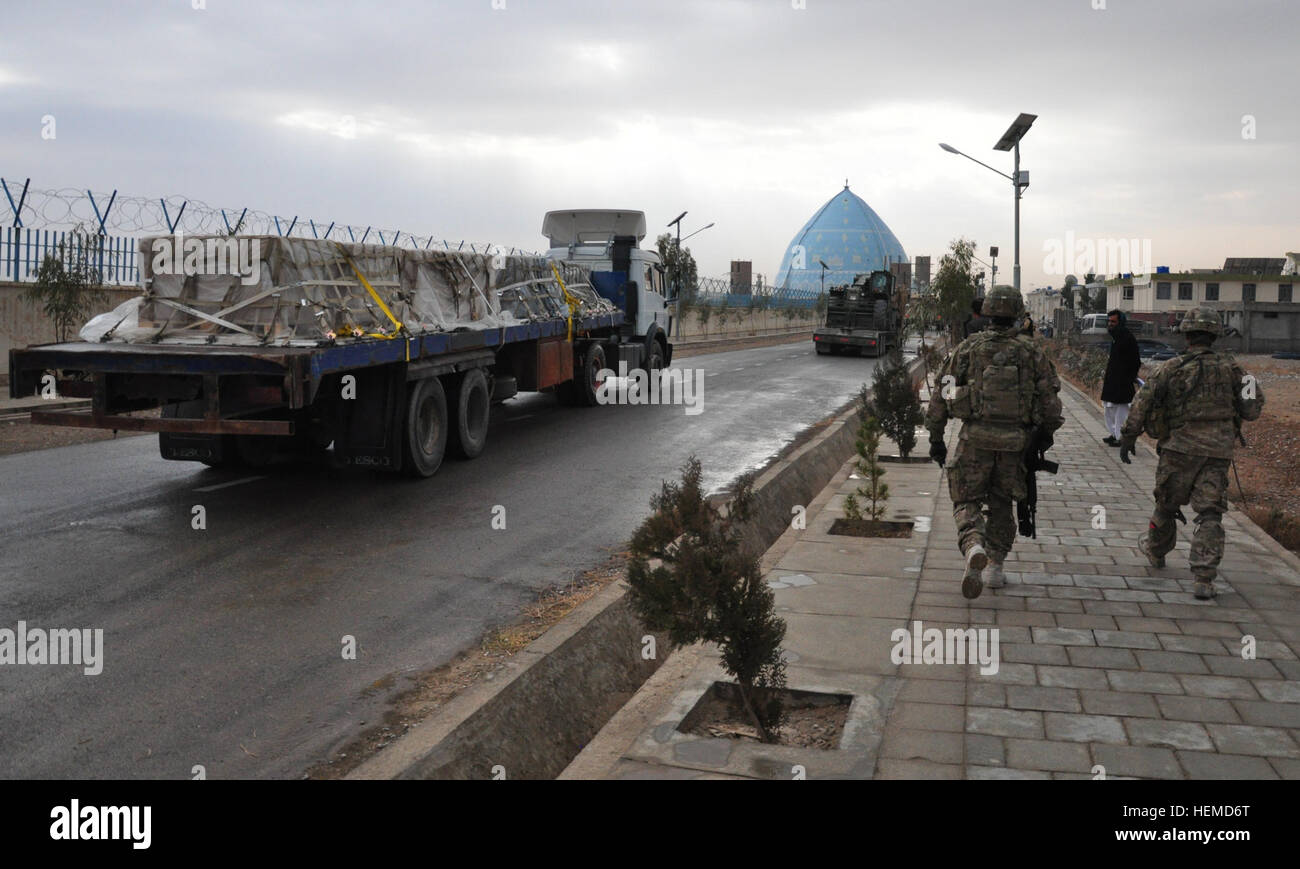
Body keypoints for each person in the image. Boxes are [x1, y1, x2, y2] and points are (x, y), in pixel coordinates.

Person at [927, 285, 1064, 599]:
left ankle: (973, 543)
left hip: (973, 440)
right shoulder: (1032, 352)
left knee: (965, 500)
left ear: (987, 311)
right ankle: (996, 567)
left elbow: (941, 394)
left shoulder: (968, 348)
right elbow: (1051, 404)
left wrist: (936, 438)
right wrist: (1042, 437)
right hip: (1015, 445)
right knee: (1003, 503)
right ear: (1017, 312)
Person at [1120, 307, 1264, 600]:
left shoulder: (1170, 367)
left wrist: (1128, 437)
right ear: (1215, 335)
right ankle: (1203, 578)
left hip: (1178, 449)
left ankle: (1157, 552)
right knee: (1210, 513)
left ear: (1186, 334)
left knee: (1165, 504)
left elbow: (1142, 403)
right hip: (1216, 452)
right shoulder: (1234, 371)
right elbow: (1252, 409)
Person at [1101, 309, 1141, 446]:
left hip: (1122, 383)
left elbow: (1135, 361)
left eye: (1113, 321)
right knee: (1109, 408)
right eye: (1109, 321)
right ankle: (1114, 434)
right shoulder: (1116, 337)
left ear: (1120, 322)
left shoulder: (1127, 338)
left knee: (1121, 412)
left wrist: (1128, 378)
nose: (1110, 324)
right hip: (1112, 381)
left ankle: (1121, 438)